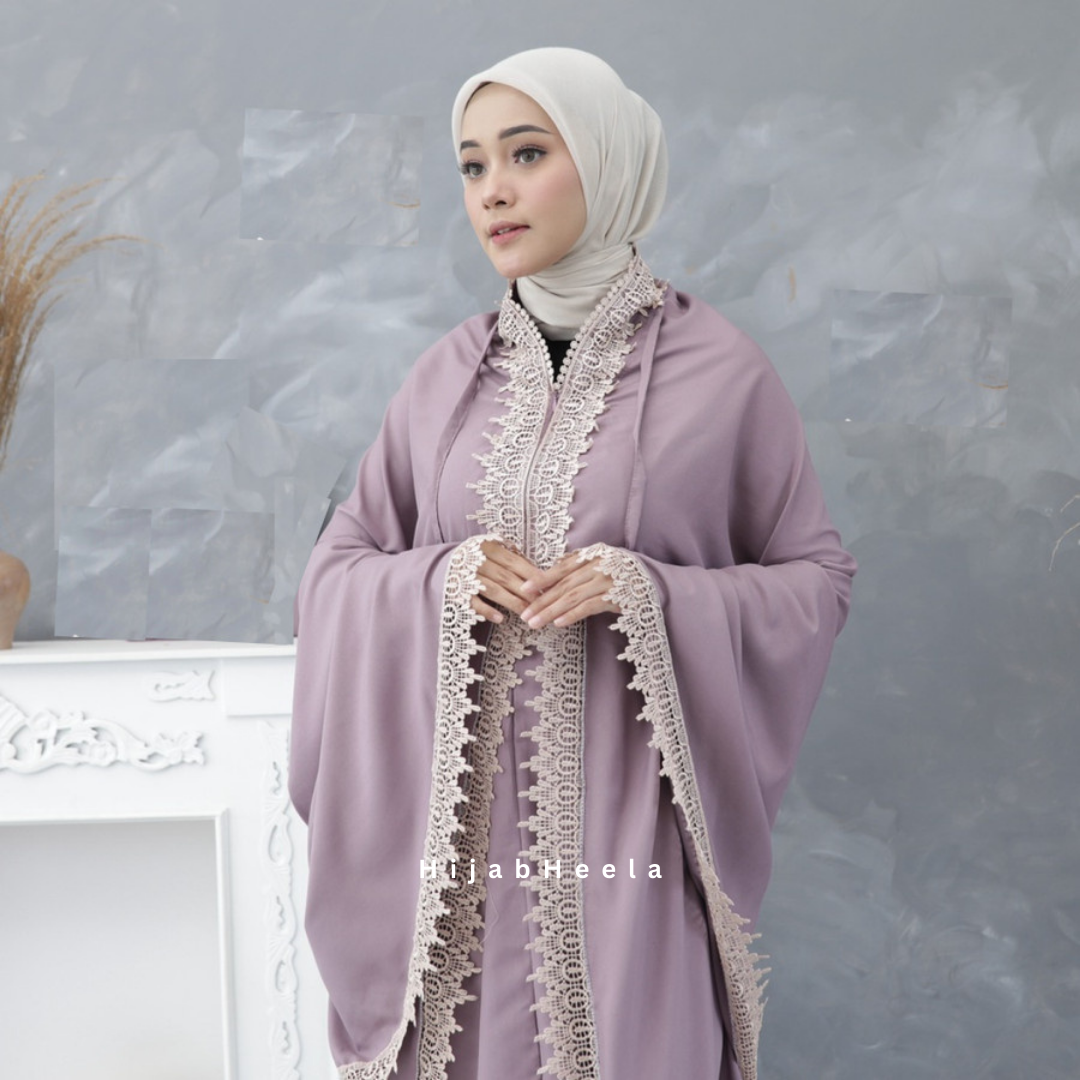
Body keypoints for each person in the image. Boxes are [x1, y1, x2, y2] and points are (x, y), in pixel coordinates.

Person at [289, 47, 857, 1080]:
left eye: (526, 154)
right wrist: (440, 582)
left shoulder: (722, 375)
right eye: (472, 166)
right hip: (458, 865)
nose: (493, 190)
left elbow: (815, 580)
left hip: (629, 847)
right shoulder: (443, 381)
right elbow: (339, 569)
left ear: (607, 160)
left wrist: (652, 595)